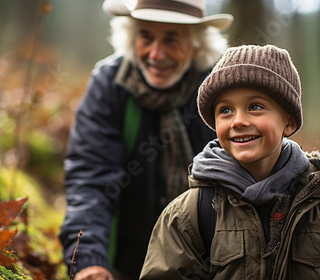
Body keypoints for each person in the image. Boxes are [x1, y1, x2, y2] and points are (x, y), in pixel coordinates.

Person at [140, 45, 320, 279]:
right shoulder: (190, 214)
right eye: (225, 110)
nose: (238, 121)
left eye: (255, 107)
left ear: (289, 122)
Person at [58, 0, 233, 279]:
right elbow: (91, 179)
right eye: (146, 37)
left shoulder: (222, 91)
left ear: (197, 44)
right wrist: (90, 259)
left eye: (171, 38)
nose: (155, 53)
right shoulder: (110, 85)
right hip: (127, 263)